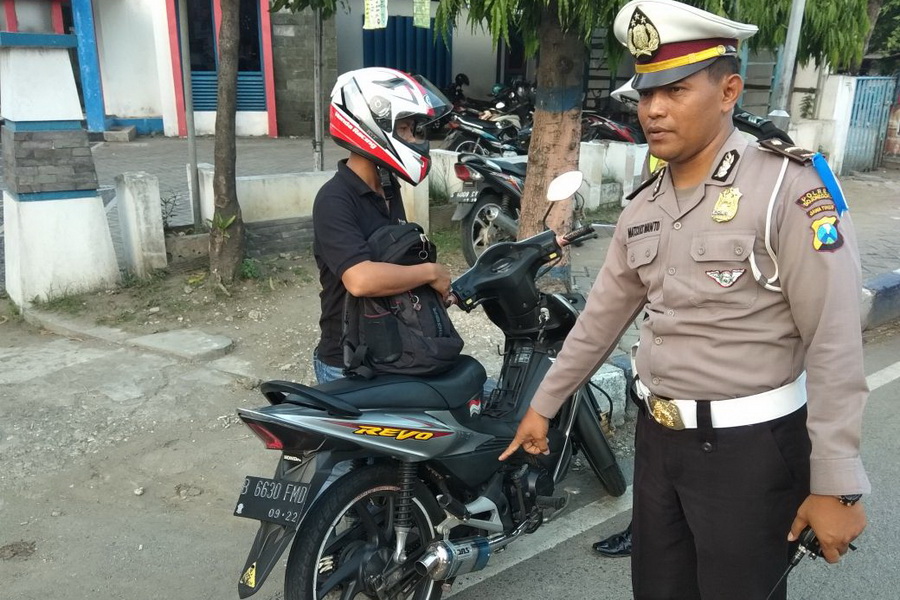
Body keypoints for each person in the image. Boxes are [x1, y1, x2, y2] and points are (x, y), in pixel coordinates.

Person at [500, 1, 869, 598]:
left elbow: (834, 338)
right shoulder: (644, 205)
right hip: (660, 443)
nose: (653, 109)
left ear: (728, 91)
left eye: (675, 90)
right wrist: (545, 403)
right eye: (646, 93)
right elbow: (600, 320)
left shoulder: (787, 186)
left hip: (752, 454)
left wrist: (836, 484)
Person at [312, 67, 454, 384]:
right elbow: (360, 279)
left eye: (413, 130)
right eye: (403, 129)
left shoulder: (388, 188)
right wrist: (431, 272)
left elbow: (394, 261)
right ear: (368, 125)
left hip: (389, 346)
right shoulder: (334, 199)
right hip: (347, 361)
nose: (412, 139)